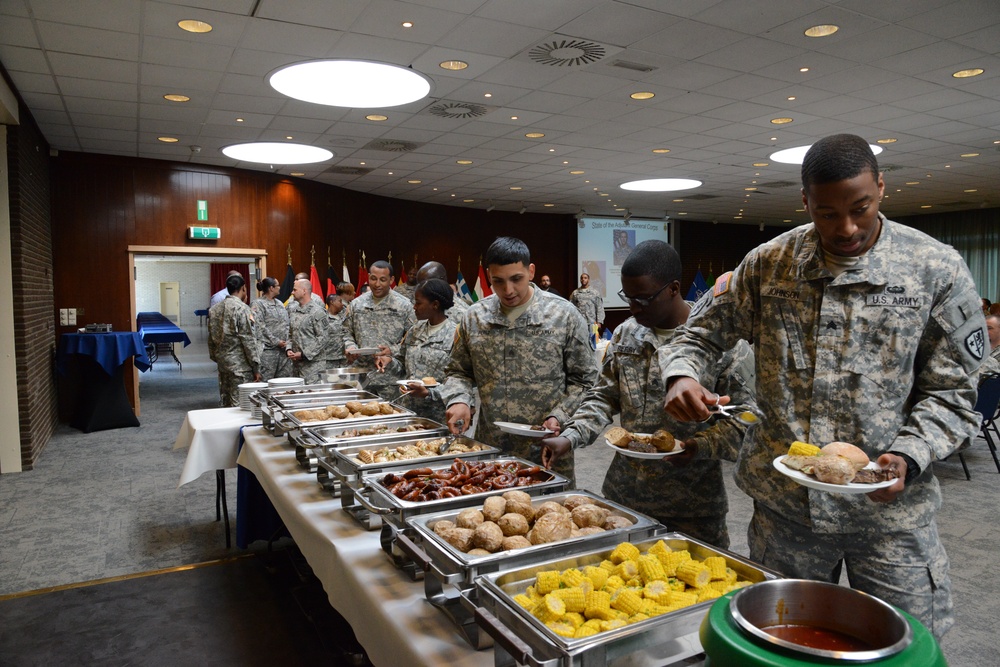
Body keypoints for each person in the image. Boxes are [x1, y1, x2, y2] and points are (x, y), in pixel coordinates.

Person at [660, 133, 986, 639]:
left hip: (889, 516)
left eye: (861, 208)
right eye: (827, 213)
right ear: (806, 202)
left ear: (881, 187)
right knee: (780, 644)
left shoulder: (934, 268)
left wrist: (910, 454)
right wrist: (683, 372)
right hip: (786, 513)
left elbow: (953, 394)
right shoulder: (770, 264)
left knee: (905, 646)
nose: (847, 227)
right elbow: (698, 334)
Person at [541, 241, 755, 548]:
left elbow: (746, 420)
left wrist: (700, 445)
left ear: (673, 289)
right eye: (628, 298)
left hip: (692, 507)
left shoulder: (723, 345)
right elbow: (603, 396)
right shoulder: (628, 334)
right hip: (626, 500)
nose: (633, 308)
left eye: (642, 299)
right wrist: (571, 436)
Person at [441, 237, 598, 485]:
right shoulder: (475, 317)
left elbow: (586, 381)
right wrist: (459, 399)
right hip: (491, 450)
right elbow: (458, 371)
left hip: (547, 449)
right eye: (498, 282)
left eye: (516, 279)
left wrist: (560, 415)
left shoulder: (563, 315)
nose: (508, 290)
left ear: (531, 271)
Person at [375, 279, 458, 424]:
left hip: (438, 416)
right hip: (409, 411)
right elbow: (402, 363)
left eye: (419, 303)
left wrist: (429, 393)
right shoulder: (415, 330)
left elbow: (460, 380)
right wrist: (389, 361)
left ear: (435, 304)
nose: (414, 307)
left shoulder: (455, 335)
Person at [343, 260, 416, 399]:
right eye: (373, 279)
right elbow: (346, 332)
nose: (377, 284)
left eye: (383, 280)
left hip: (390, 377)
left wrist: (392, 350)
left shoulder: (404, 306)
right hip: (361, 376)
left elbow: (413, 340)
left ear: (392, 280)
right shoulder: (357, 304)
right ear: (368, 277)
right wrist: (350, 346)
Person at [207, 274, 260, 406]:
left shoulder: (214, 309)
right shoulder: (242, 309)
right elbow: (248, 339)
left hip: (223, 363)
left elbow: (211, 337)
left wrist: (217, 357)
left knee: (225, 401)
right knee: (240, 404)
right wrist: (256, 367)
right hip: (240, 366)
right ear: (243, 288)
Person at [285, 278, 329, 384]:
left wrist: (304, 354)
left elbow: (323, 338)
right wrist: (288, 349)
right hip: (296, 366)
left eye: (295, 290)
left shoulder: (317, 312)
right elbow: (290, 333)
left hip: (313, 366)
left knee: (313, 397)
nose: (292, 293)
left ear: (304, 291)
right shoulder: (294, 310)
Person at [250, 276, 291, 381]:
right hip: (268, 352)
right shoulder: (258, 304)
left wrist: (287, 343)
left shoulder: (280, 304)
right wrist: (276, 341)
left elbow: (286, 324)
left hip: (283, 352)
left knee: (283, 383)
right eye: (277, 285)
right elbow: (259, 326)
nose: (279, 287)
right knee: (266, 383)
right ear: (271, 288)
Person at [325, 293, 347, 368]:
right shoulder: (323, 318)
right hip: (330, 358)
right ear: (332, 302)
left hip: (345, 357)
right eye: (340, 301)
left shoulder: (345, 316)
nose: (342, 304)